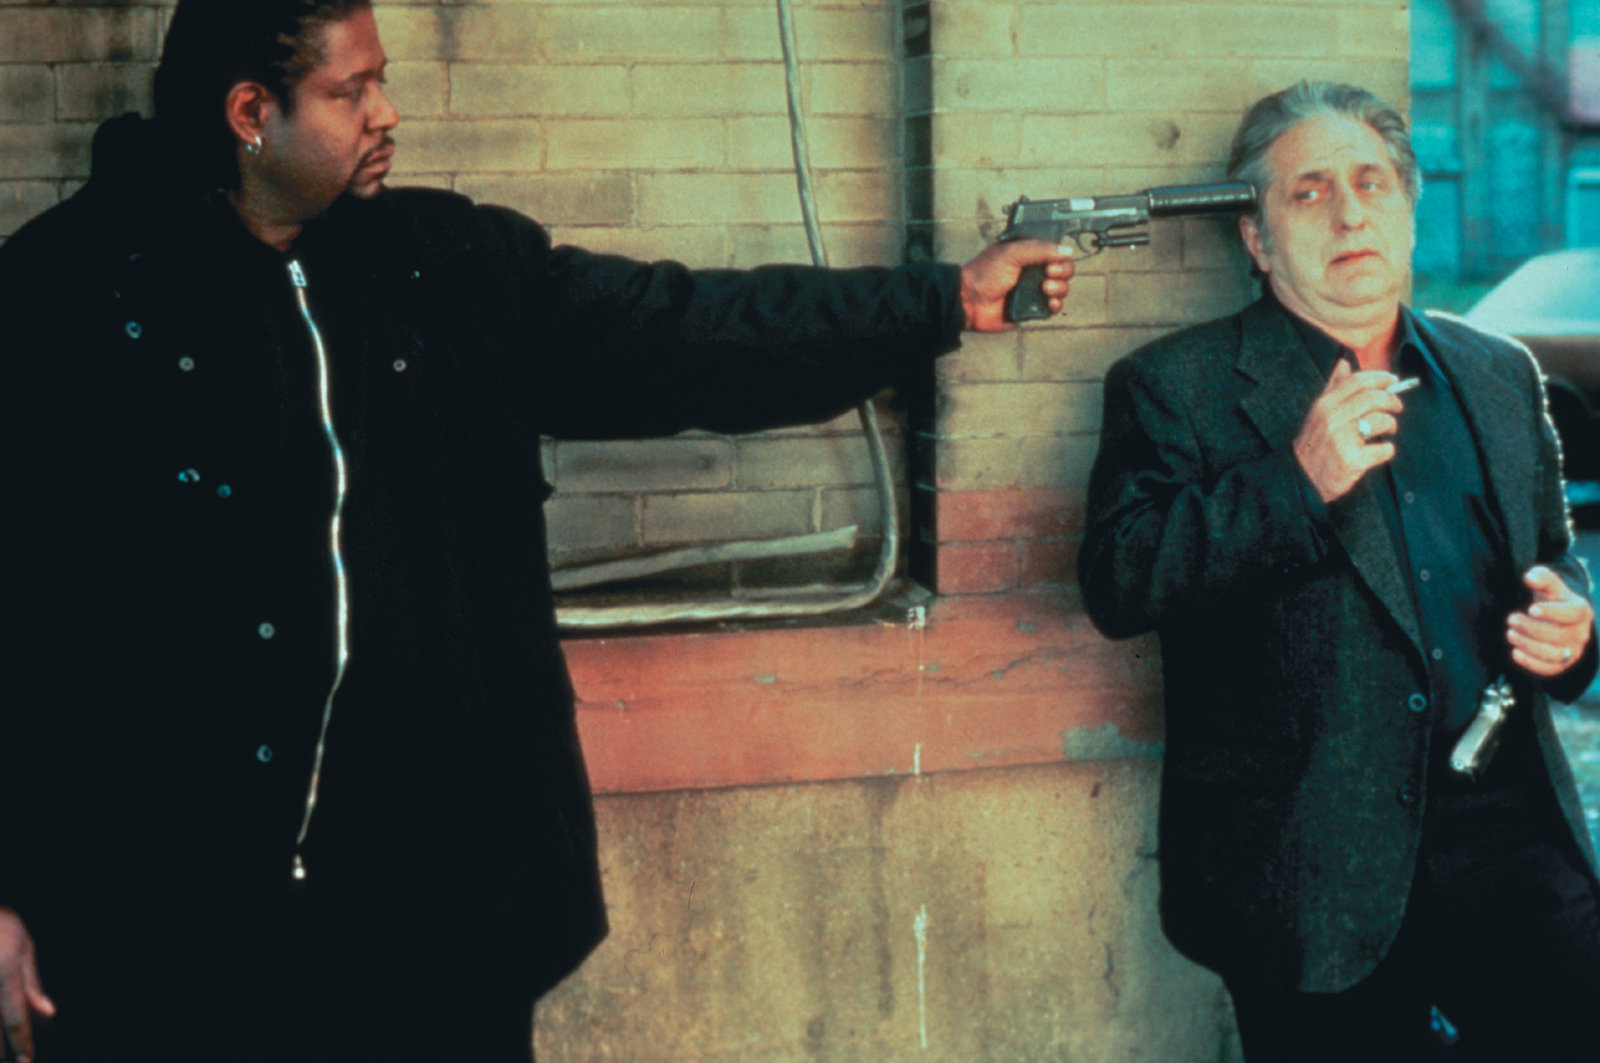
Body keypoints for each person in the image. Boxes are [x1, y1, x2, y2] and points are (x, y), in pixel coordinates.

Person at [0, 2, 1075, 1060]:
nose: (387, 112)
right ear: (250, 112)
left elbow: (690, 331)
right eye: (350, 90)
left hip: (426, 923)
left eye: (382, 79)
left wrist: (942, 301)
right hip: (172, 933)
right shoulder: (63, 299)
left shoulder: (441, 268)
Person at [1077, 81, 1598, 1062]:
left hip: (1507, 842)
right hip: (1311, 867)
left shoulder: (1497, 373)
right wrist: (1296, 481)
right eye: (1309, 192)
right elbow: (1119, 580)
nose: (1350, 213)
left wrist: (1575, 627)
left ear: (1408, 211)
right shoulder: (1174, 387)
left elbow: (1552, 558)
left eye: (1371, 184)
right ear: (1256, 237)